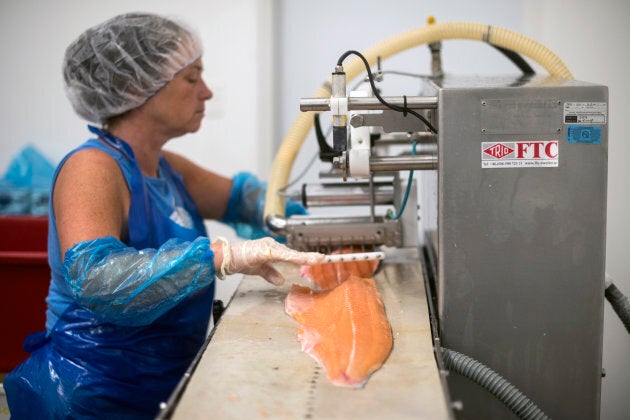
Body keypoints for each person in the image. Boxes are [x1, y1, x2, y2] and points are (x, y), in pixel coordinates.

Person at [4, 12, 324, 419]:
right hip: (92, 396)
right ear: (138, 86)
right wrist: (223, 256)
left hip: (164, 388)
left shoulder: (166, 167)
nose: (206, 92)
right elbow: (97, 279)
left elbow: (247, 200)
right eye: (192, 79)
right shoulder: (92, 168)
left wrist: (318, 222)